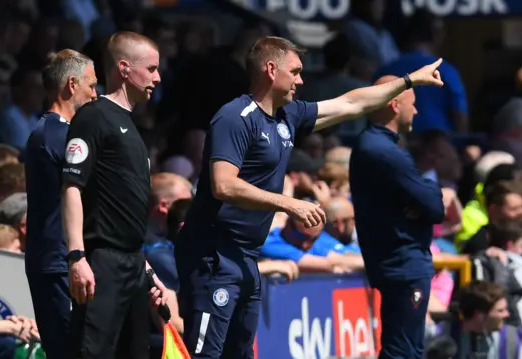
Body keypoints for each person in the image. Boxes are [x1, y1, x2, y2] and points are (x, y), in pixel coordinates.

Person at [174, 36, 444, 358]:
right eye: (296, 71)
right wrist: (289, 203)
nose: (302, 80)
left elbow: (351, 103)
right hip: (213, 254)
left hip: (247, 256)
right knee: (205, 354)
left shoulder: (288, 116)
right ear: (271, 70)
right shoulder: (235, 117)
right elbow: (224, 185)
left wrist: (409, 80)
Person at [61, 32, 168, 359]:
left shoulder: (133, 126)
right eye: (150, 68)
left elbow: (123, 210)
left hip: (133, 264)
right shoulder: (93, 117)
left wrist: (146, 269)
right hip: (101, 263)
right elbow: (71, 188)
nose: (157, 77)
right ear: (124, 68)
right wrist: (77, 257)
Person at [349, 75, 444, 359]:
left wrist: (422, 199)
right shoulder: (382, 150)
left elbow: (426, 202)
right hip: (403, 264)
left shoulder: (379, 146)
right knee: (402, 352)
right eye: (412, 104)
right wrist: (426, 196)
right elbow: (435, 207)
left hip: (400, 262)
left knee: (406, 349)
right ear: (393, 103)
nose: (415, 111)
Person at [24, 49, 97, 359]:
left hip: (65, 262)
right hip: (58, 265)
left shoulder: (61, 134)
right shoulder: (52, 135)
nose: (96, 95)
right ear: (71, 85)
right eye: (91, 86)